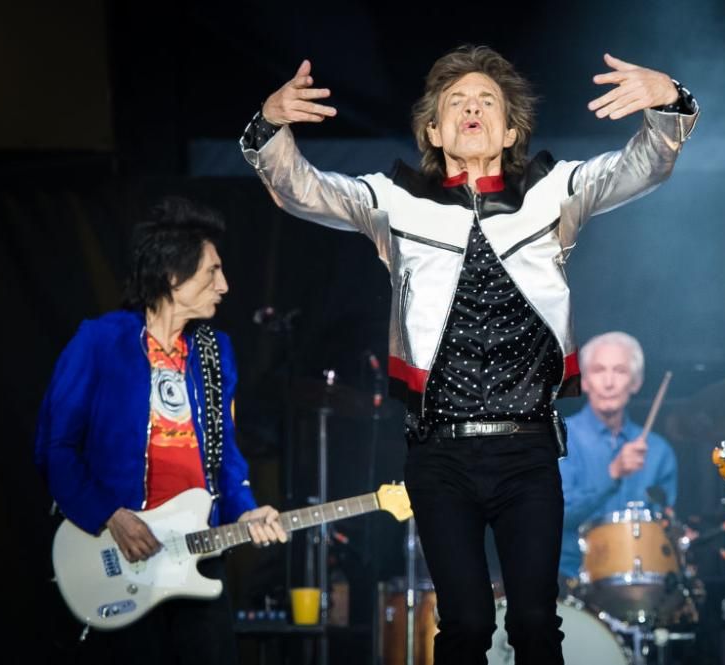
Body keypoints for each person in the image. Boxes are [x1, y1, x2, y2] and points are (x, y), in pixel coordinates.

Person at [240, 44, 698, 664]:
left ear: (510, 130)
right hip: (440, 453)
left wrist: (669, 101)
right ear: (434, 130)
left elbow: (642, 166)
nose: (472, 108)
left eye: (487, 100)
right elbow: (304, 190)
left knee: (535, 623)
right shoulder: (395, 200)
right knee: (466, 624)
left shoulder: (553, 191)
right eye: (456, 102)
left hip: (528, 449)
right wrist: (270, 124)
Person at [34, 196, 287, 665]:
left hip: (196, 551)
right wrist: (110, 514)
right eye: (212, 272)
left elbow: (226, 456)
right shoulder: (100, 341)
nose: (224, 285)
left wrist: (247, 510)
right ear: (173, 276)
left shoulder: (215, 351)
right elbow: (56, 449)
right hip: (122, 550)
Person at [557, 331, 678, 587]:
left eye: (620, 371)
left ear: (636, 382)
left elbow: (663, 527)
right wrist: (612, 474)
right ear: (584, 381)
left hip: (640, 583)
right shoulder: (560, 437)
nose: (609, 382)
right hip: (568, 582)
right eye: (598, 370)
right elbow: (555, 514)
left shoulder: (658, 451)